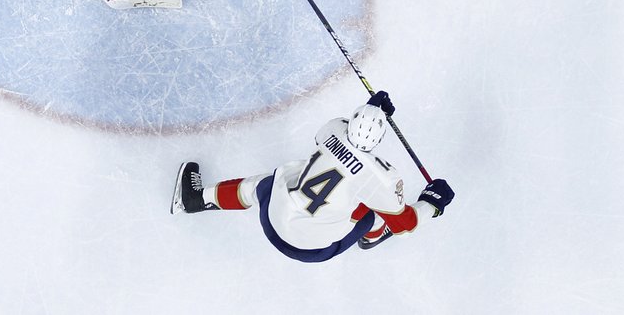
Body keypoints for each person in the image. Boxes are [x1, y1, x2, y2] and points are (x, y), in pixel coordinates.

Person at [170, 91, 455, 263]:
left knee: (264, 184)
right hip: (311, 250)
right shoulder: (381, 178)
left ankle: (198, 199)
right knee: (370, 212)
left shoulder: (332, 128)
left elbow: (341, 131)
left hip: (273, 220)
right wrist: (432, 203)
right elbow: (405, 224)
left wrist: (372, 107)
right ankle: (371, 237)